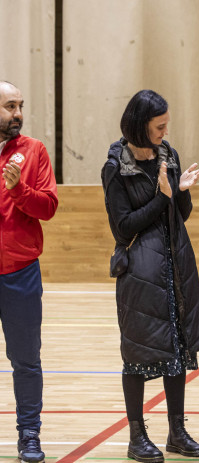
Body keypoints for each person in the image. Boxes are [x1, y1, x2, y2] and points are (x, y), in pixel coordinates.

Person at [102, 89, 199, 463]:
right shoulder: (116, 166)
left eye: (166, 125)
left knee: (176, 350)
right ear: (139, 125)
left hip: (176, 266)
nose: (164, 131)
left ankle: (176, 431)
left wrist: (181, 194)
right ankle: (136, 437)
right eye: (158, 126)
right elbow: (123, 228)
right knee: (138, 355)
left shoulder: (169, 155)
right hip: (140, 273)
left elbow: (180, 214)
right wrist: (162, 197)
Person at [0, 81, 58, 463]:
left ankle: (30, 435)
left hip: (19, 272)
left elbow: (48, 207)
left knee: (26, 360)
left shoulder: (33, 151)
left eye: (20, 105)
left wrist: (19, 190)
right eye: (9, 107)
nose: (18, 113)